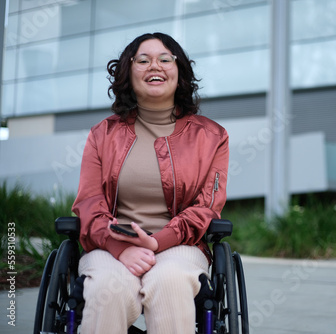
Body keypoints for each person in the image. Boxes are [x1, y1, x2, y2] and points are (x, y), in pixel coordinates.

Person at [72, 32, 229, 333]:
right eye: (143, 60)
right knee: (108, 288)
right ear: (127, 74)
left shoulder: (212, 137)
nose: (154, 66)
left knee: (169, 282)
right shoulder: (102, 135)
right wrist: (121, 248)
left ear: (179, 70)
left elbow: (206, 208)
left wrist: (158, 241)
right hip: (111, 245)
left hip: (181, 245)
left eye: (165, 59)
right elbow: (89, 203)